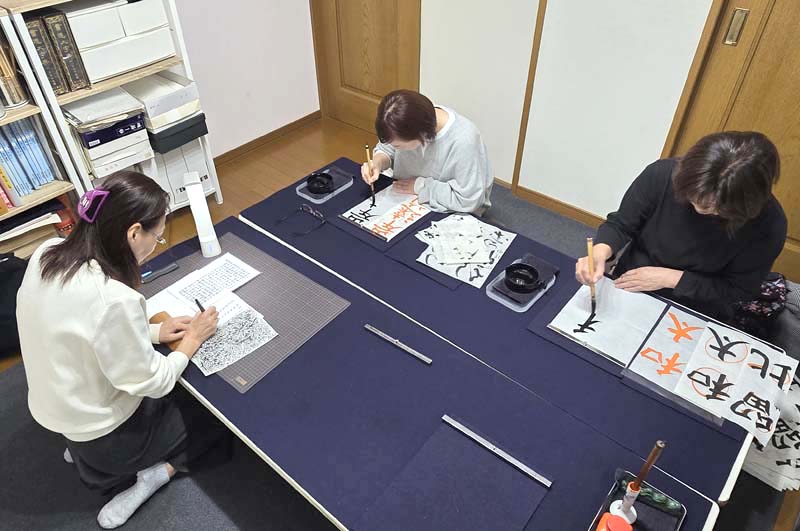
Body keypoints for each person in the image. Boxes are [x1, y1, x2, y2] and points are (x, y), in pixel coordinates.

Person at [16, 171, 228, 529]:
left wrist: (155, 331)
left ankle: (86, 454)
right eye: (156, 237)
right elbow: (154, 381)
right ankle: (156, 475)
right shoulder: (114, 299)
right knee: (216, 417)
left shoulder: (46, 253)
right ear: (133, 233)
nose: (155, 245)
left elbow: (82, 331)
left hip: (61, 416)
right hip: (109, 441)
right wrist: (193, 338)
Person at [575, 131, 787, 320]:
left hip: (697, 301)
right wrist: (600, 252)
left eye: (714, 206)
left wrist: (670, 278)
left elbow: (738, 289)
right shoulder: (662, 174)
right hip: (632, 278)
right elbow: (621, 224)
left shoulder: (769, 224)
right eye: (692, 196)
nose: (699, 207)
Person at [361, 89, 493, 214]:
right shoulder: (404, 122)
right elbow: (387, 148)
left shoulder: (464, 141)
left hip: (451, 207)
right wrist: (377, 163)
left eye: (398, 146)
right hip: (406, 197)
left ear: (421, 136)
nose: (395, 147)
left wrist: (420, 186)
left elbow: (469, 200)